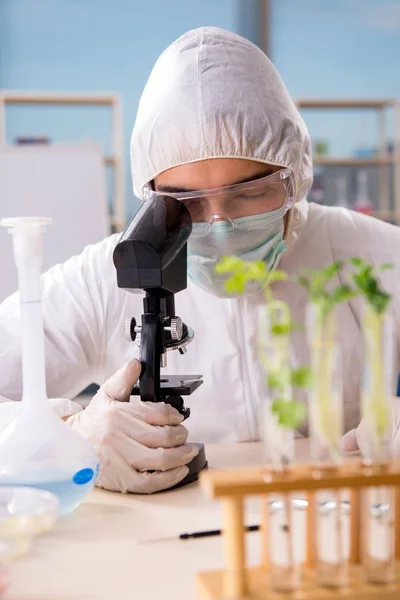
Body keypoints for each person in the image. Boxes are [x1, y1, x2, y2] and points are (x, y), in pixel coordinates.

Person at [1, 27, 400, 494]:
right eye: (185, 202)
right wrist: (69, 436)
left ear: (293, 177)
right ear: (151, 197)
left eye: (249, 192)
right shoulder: (101, 280)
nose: (220, 224)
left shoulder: (367, 254)